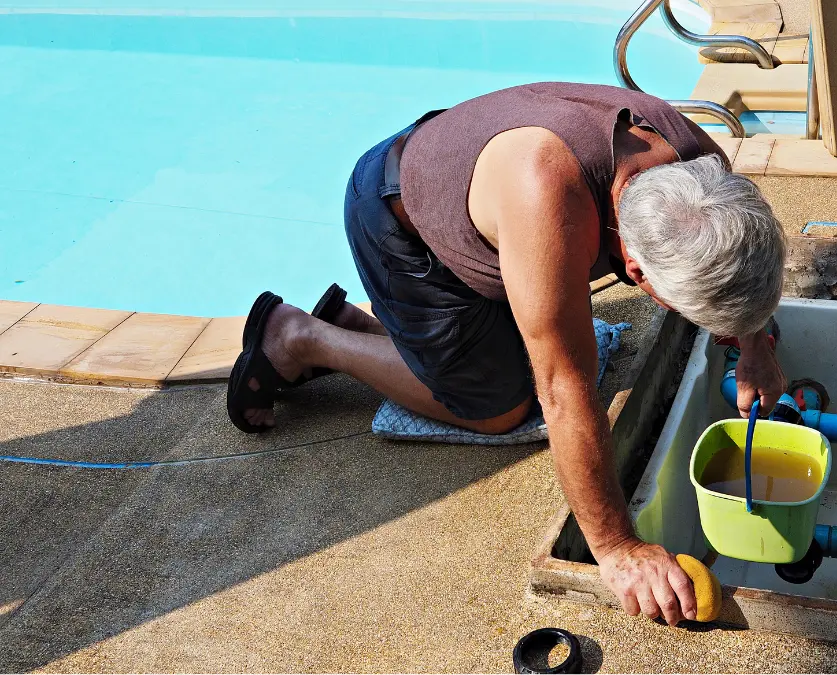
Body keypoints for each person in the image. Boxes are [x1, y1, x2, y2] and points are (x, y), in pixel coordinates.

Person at [227, 82, 787, 626]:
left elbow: (747, 265)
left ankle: (374, 330)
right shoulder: (548, 197)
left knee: (526, 340)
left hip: (476, 182)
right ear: (635, 272)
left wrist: (755, 349)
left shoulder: (702, 170)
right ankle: (303, 337)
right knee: (499, 408)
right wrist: (616, 546)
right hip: (403, 223)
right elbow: (564, 389)